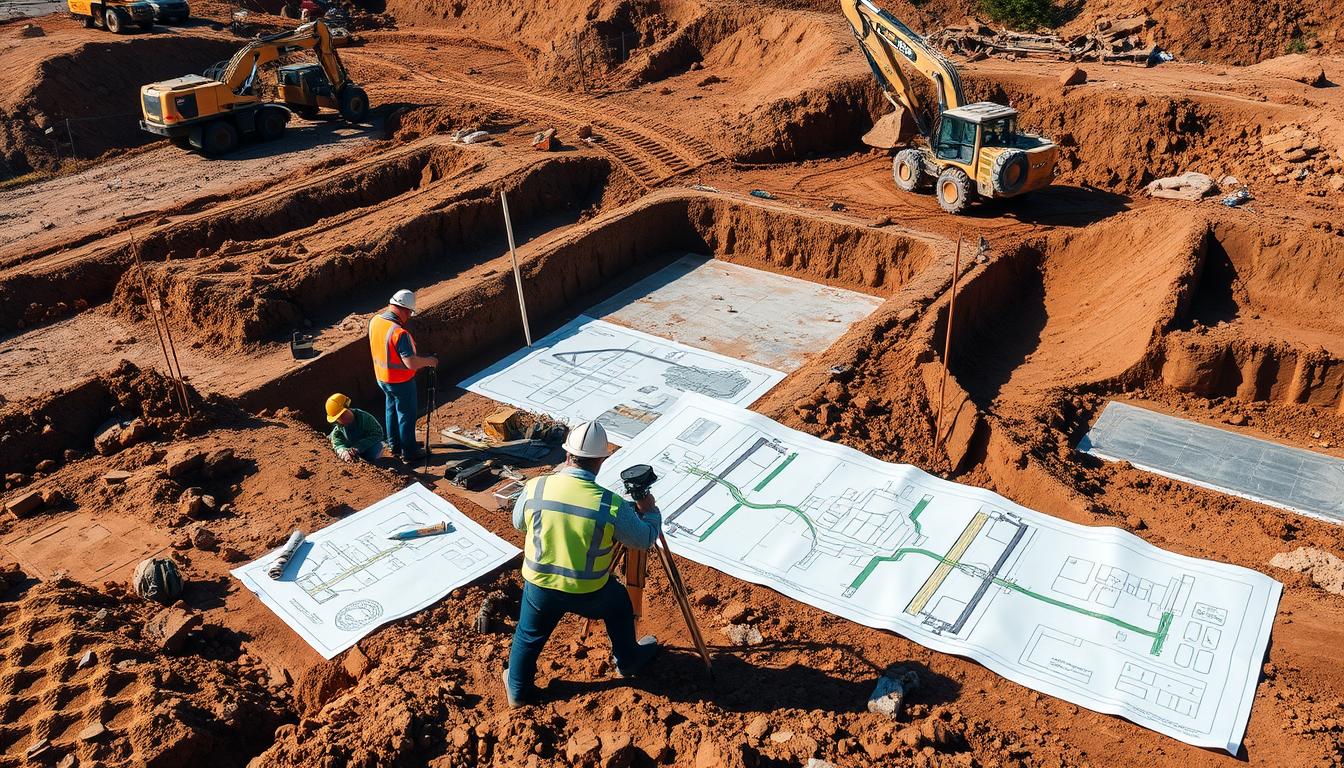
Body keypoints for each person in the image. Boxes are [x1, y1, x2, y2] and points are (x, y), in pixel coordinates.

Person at [504, 421, 661, 707]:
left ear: (567, 455)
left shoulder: (536, 487)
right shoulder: (609, 504)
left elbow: (518, 523)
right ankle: (628, 661)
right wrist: (650, 512)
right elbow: (643, 540)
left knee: (527, 634)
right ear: (600, 460)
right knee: (620, 606)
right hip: (589, 590)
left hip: (540, 586)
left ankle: (517, 689)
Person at [368, 289, 437, 461]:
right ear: (405, 310)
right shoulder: (399, 334)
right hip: (400, 381)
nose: (409, 317)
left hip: (382, 378)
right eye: (409, 313)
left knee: (391, 410)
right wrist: (430, 361)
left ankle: (395, 445)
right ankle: (410, 452)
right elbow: (411, 363)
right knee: (406, 415)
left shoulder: (375, 321)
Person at [325, 393, 385, 463]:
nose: (341, 419)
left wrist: (358, 447)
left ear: (347, 407)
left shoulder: (364, 418)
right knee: (333, 438)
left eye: (343, 415)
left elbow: (378, 433)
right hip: (349, 446)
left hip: (366, 446)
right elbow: (338, 443)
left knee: (374, 452)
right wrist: (343, 451)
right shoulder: (338, 427)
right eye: (338, 418)